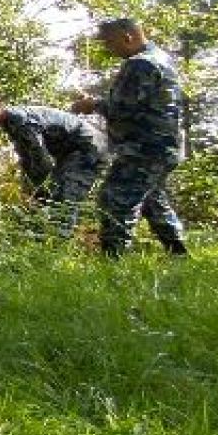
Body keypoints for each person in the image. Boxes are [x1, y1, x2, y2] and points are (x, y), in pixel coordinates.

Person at [73, 17, 188, 257]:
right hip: (164, 148)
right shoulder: (162, 58)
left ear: (128, 37)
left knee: (115, 199)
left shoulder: (140, 64)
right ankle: (178, 253)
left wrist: (91, 104)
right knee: (152, 200)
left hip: (144, 149)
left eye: (109, 42)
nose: (108, 48)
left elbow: (122, 108)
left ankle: (113, 262)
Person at [0, 93, 109, 237]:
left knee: (66, 193)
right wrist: (29, 188)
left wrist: (37, 192)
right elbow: (28, 160)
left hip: (88, 148)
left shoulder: (21, 121)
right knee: (50, 192)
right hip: (71, 152)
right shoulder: (10, 123)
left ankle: (58, 242)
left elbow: (42, 161)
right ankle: (47, 234)